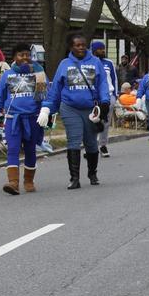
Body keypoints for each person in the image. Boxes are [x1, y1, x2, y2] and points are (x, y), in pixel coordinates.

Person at [37, 33, 110, 189]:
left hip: (91, 109)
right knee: (74, 140)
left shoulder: (95, 63)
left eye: (83, 45)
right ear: (71, 47)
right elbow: (55, 89)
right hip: (70, 108)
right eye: (77, 45)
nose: (81, 48)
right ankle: (74, 178)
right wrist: (46, 108)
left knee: (91, 143)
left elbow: (103, 83)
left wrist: (105, 102)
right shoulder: (64, 64)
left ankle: (92, 173)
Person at [0, 43, 47, 194]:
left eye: (27, 54)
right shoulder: (8, 75)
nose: (25, 58)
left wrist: (45, 112)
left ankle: (28, 181)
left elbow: (43, 97)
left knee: (30, 150)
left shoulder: (38, 73)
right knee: (13, 149)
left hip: (32, 118)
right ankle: (13, 183)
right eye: (21, 55)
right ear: (14, 57)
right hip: (12, 119)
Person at [90, 41, 118, 157]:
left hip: (108, 94)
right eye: (100, 49)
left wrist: (115, 95)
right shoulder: (88, 62)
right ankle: (91, 146)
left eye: (104, 49)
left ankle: (103, 145)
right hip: (93, 96)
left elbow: (114, 79)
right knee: (92, 120)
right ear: (94, 50)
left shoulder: (109, 63)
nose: (103, 51)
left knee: (105, 121)